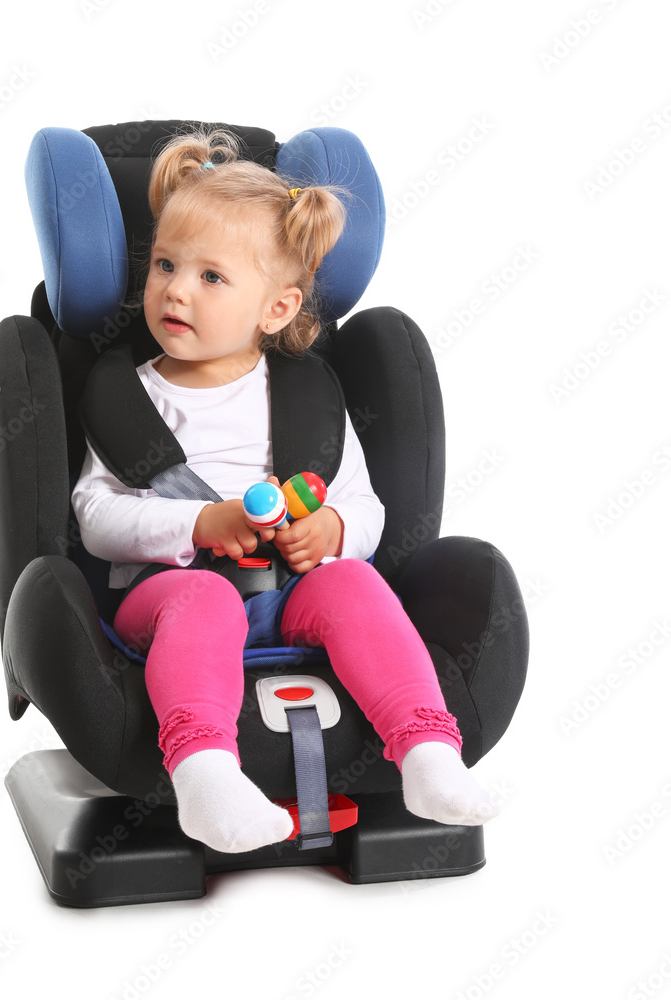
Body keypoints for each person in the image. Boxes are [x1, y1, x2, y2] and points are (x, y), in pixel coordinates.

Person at [72, 128, 499, 854]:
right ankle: (206, 774)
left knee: (355, 588)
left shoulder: (308, 399)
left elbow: (367, 508)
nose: (175, 288)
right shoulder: (130, 399)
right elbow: (96, 519)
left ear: (275, 309)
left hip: (290, 594)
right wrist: (200, 523)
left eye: (211, 277)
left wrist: (333, 533)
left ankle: (426, 751)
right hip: (165, 596)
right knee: (204, 597)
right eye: (165, 265)